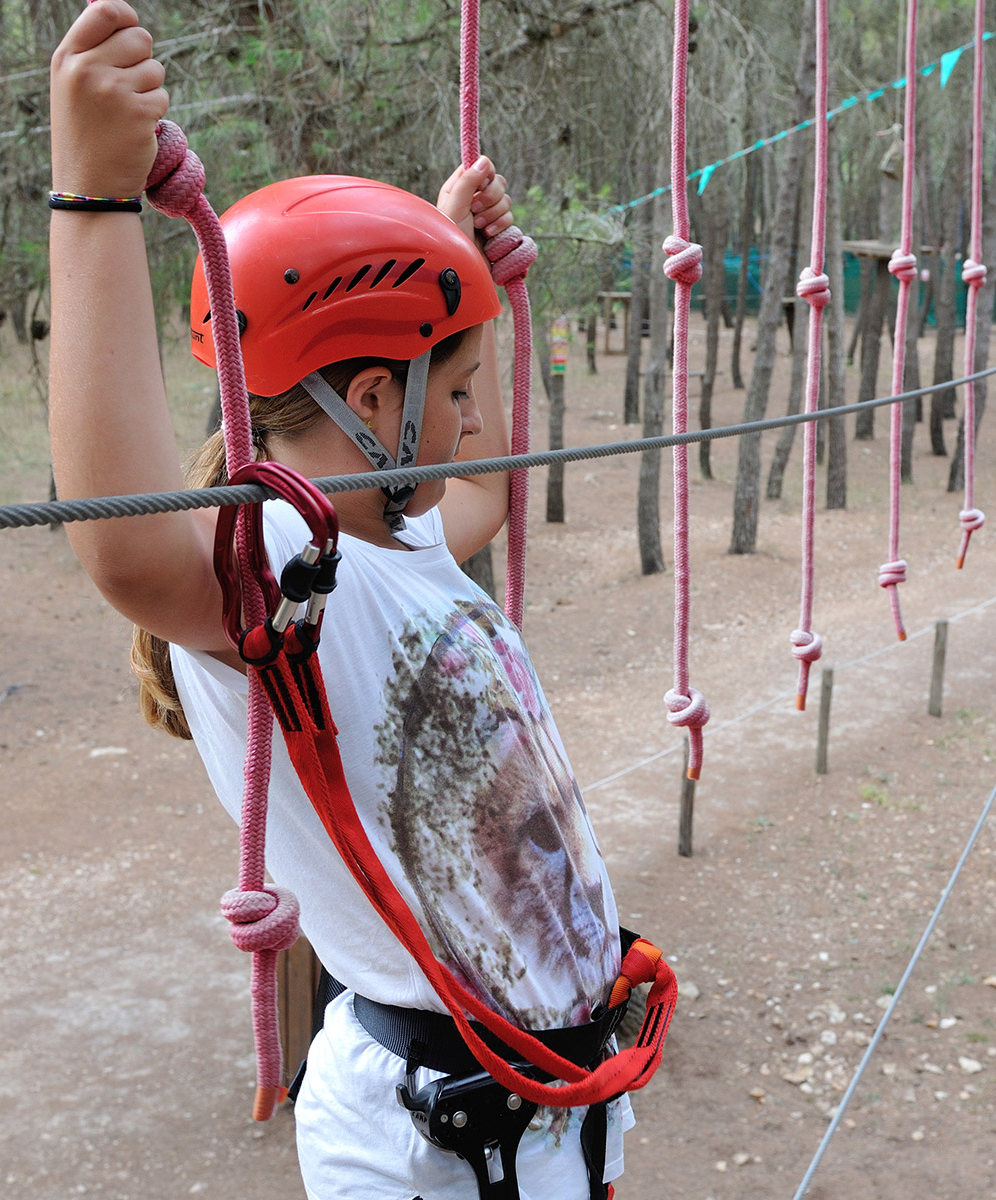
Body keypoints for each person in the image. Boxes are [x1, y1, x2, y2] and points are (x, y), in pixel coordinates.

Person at [48, 5, 634, 1197]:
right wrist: (94, 199)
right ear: (372, 400)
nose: (471, 421)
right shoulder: (286, 565)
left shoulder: (399, 544)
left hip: (541, 1111)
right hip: (433, 1145)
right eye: (455, 391)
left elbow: (484, 487)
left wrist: (448, 260)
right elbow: (126, 553)